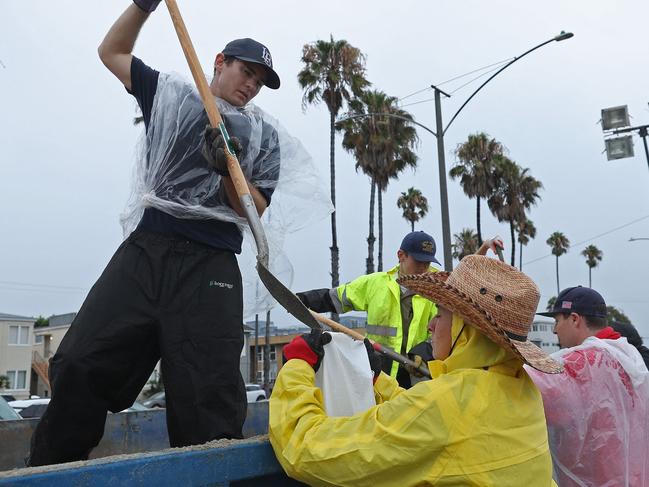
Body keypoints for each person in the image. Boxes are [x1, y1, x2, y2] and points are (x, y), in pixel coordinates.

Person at [27, 0, 282, 466]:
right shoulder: (171, 96)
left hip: (211, 265)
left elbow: (254, 208)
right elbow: (112, 52)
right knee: (81, 362)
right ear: (220, 62)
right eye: (246, 72)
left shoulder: (263, 135)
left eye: (260, 82)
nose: (252, 86)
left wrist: (226, 164)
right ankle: (47, 471)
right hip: (148, 250)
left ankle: (212, 476)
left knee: (208, 394)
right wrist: (143, 6)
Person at [270, 254, 561, 487]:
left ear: (466, 330)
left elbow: (309, 451)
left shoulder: (447, 405)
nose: (431, 326)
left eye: (441, 314)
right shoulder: (522, 390)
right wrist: (377, 380)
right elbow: (428, 418)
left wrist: (297, 366)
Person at [528, 286, 649, 486]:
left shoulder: (582, 363)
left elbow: (524, 389)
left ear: (575, 319)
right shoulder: (628, 354)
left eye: (557, 321)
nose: (555, 329)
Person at [296, 231, 440, 388]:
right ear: (401, 255)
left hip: (417, 376)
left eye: (427, 263)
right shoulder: (376, 284)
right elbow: (335, 297)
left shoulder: (439, 290)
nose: (423, 268)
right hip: (379, 373)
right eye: (418, 261)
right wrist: (302, 300)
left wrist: (423, 352)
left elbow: (445, 329)